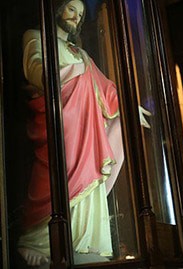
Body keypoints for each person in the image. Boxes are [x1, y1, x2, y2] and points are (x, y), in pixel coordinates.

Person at [17, 0, 132, 266]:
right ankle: (37, 241)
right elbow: (36, 68)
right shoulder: (35, 37)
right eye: (71, 9)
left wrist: (129, 106)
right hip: (60, 122)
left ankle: (82, 242)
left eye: (80, 14)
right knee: (56, 174)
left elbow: (106, 90)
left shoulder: (81, 54)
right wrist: (71, 74)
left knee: (87, 181)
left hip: (87, 130)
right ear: (57, 9)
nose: (75, 17)